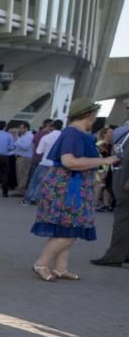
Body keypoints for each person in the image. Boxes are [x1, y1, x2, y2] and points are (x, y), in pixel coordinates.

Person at [31, 98, 121, 281]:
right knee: (71, 229)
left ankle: (60, 268)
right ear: (88, 115)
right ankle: (41, 263)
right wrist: (104, 160)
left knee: (67, 229)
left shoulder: (74, 133)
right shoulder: (73, 134)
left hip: (72, 186)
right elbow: (69, 161)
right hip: (69, 187)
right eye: (94, 116)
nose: (95, 120)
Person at [91, 124, 129, 266]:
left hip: (125, 184)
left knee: (122, 220)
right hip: (121, 180)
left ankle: (115, 256)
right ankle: (124, 253)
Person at [24, 120, 63, 205]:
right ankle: (39, 199)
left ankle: (28, 199)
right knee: (51, 184)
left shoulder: (46, 137)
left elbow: (39, 151)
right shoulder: (63, 138)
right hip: (57, 164)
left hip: (45, 162)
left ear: (52, 127)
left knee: (35, 181)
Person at [12, 122, 34, 196]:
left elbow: (25, 147)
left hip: (25, 157)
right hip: (20, 157)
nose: (20, 129)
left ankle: (21, 190)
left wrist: (17, 141)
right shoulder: (23, 135)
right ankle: (20, 189)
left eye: (21, 128)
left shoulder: (29, 136)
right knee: (19, 174)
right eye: (20, 128)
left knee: (23, 174)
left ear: (26, 128)